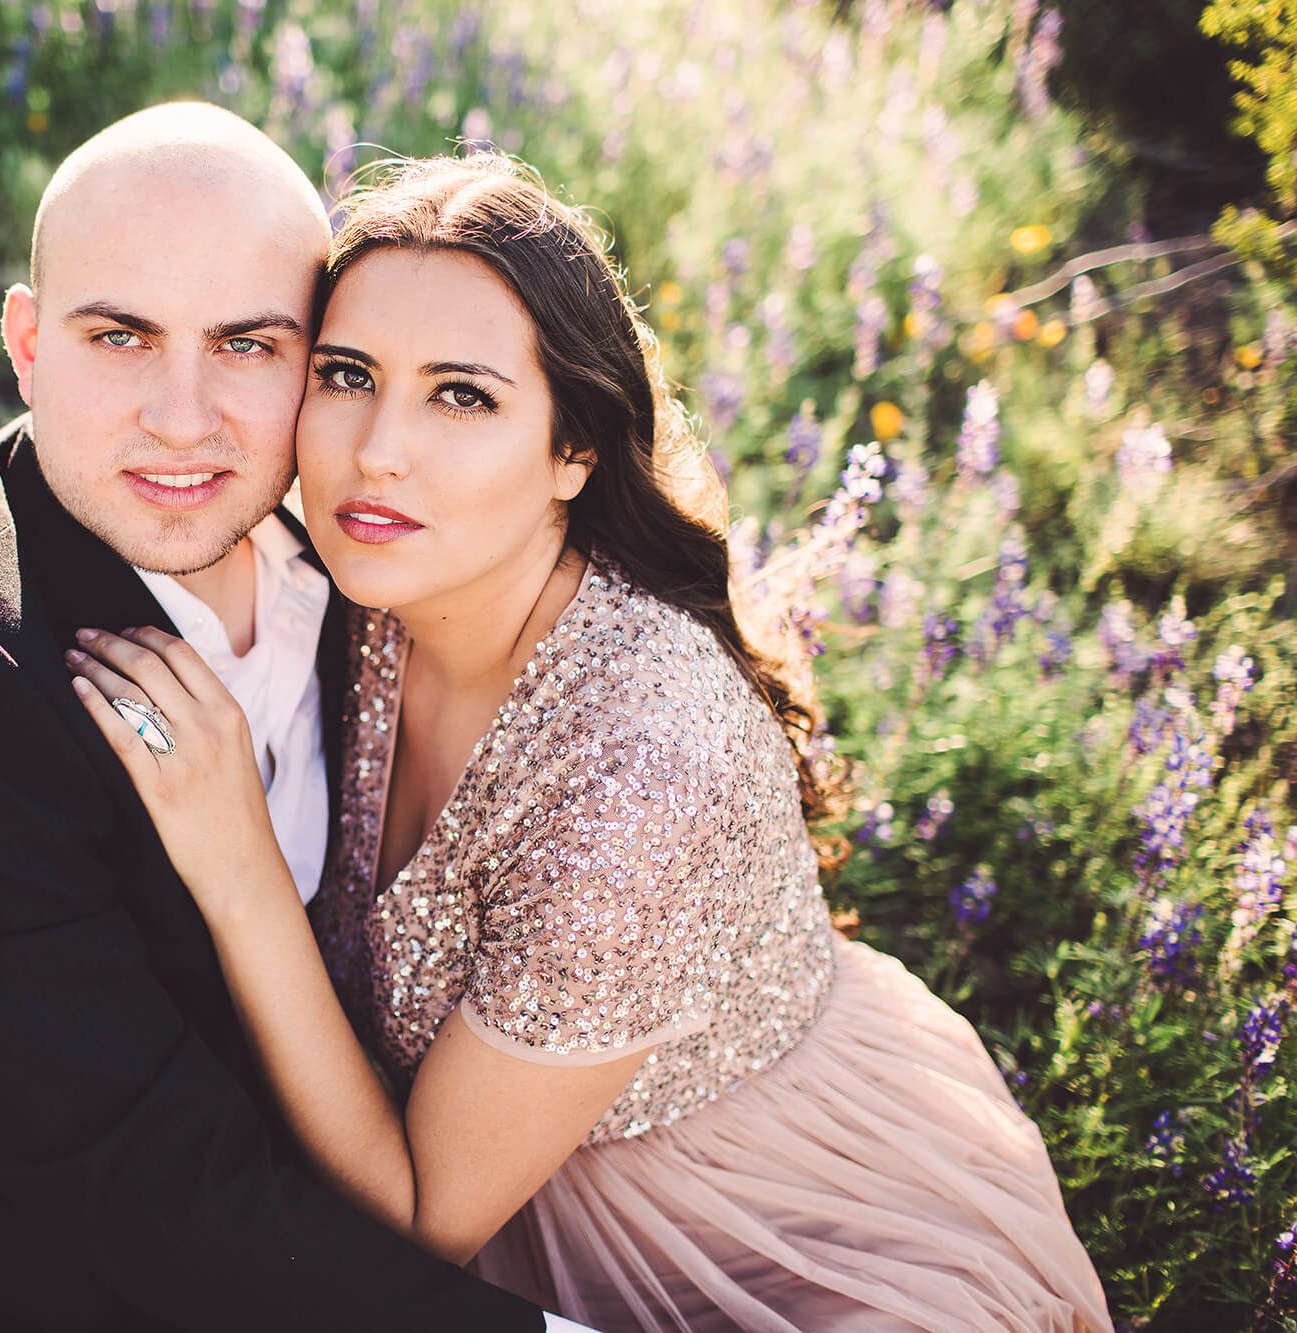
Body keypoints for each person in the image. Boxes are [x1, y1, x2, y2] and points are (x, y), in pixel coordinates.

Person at [62, 152, 1114, 1331]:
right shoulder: (381, 566)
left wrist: (238, 866)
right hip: (488, 1162)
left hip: (750, 1237)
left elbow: (415, 1222)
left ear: (572, 451)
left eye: (461, 395)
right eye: (348, 374)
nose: (375, 450)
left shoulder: (640, 774)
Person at [0, 108, 592, 1331]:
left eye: (247, 346)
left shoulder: (333, 568)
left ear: (318, 362)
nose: (182, 418)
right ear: (27, 345)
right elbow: (151, 1190)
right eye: (121, 336)